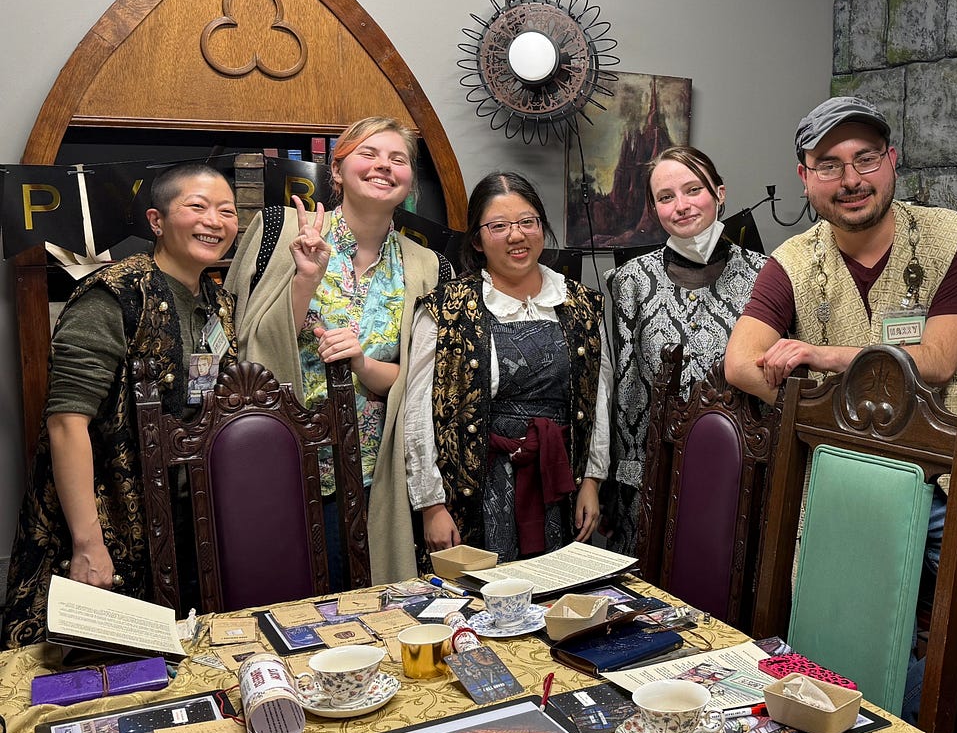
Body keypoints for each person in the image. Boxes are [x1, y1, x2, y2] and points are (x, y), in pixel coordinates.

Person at [724, 96, 957, 724]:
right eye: (830, 165)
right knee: (831, 648)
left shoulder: (954, 238)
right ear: (805, 176)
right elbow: (740, 363)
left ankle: (882, 722)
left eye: (866, 159)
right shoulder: (793, 263)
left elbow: (939, 361)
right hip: (850, 486)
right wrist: (815, 400)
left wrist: (821, 357)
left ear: (892, 162)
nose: (852, 180)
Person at [4, 164, 240, 647]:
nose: (214, 221)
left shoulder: (219, 302)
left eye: (227, 211)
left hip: (184, 528)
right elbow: (67, 422)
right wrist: (89, 543)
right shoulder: (113, 294)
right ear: (156, 221)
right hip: (110, 525)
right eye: (196, 206)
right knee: (100, 685)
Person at [225, 116, 444, 586]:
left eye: (398, 159)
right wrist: (305, 277)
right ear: (337, 170)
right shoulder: (278, 233)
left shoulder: (425, 265)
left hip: (376, 477)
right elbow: (248, 348)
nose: (384, 166)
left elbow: (415, 380)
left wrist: (362, 363)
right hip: (284, 467)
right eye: (368, 154)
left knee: (370, 607)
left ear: (409, 181)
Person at [404, 172, 608, 563]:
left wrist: (593, 482)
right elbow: (417, 413)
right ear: (478, 240)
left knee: (556, 600)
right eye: (499, 226)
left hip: (559, 483)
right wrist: (431, 505)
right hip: (473, 490)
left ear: (542, 230)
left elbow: (598, 398)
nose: (517, 236)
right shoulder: (446, 308)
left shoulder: (582, 306)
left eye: (527, 222)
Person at [601, 145, 766, 554]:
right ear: (654, 208)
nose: (681, 206)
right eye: (665, 197)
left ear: (720, 193)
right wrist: (626, 481)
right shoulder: (629, 282)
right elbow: (628, 389)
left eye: (694, 190)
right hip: (654, 476)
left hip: (740, 475)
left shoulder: (766, 277)